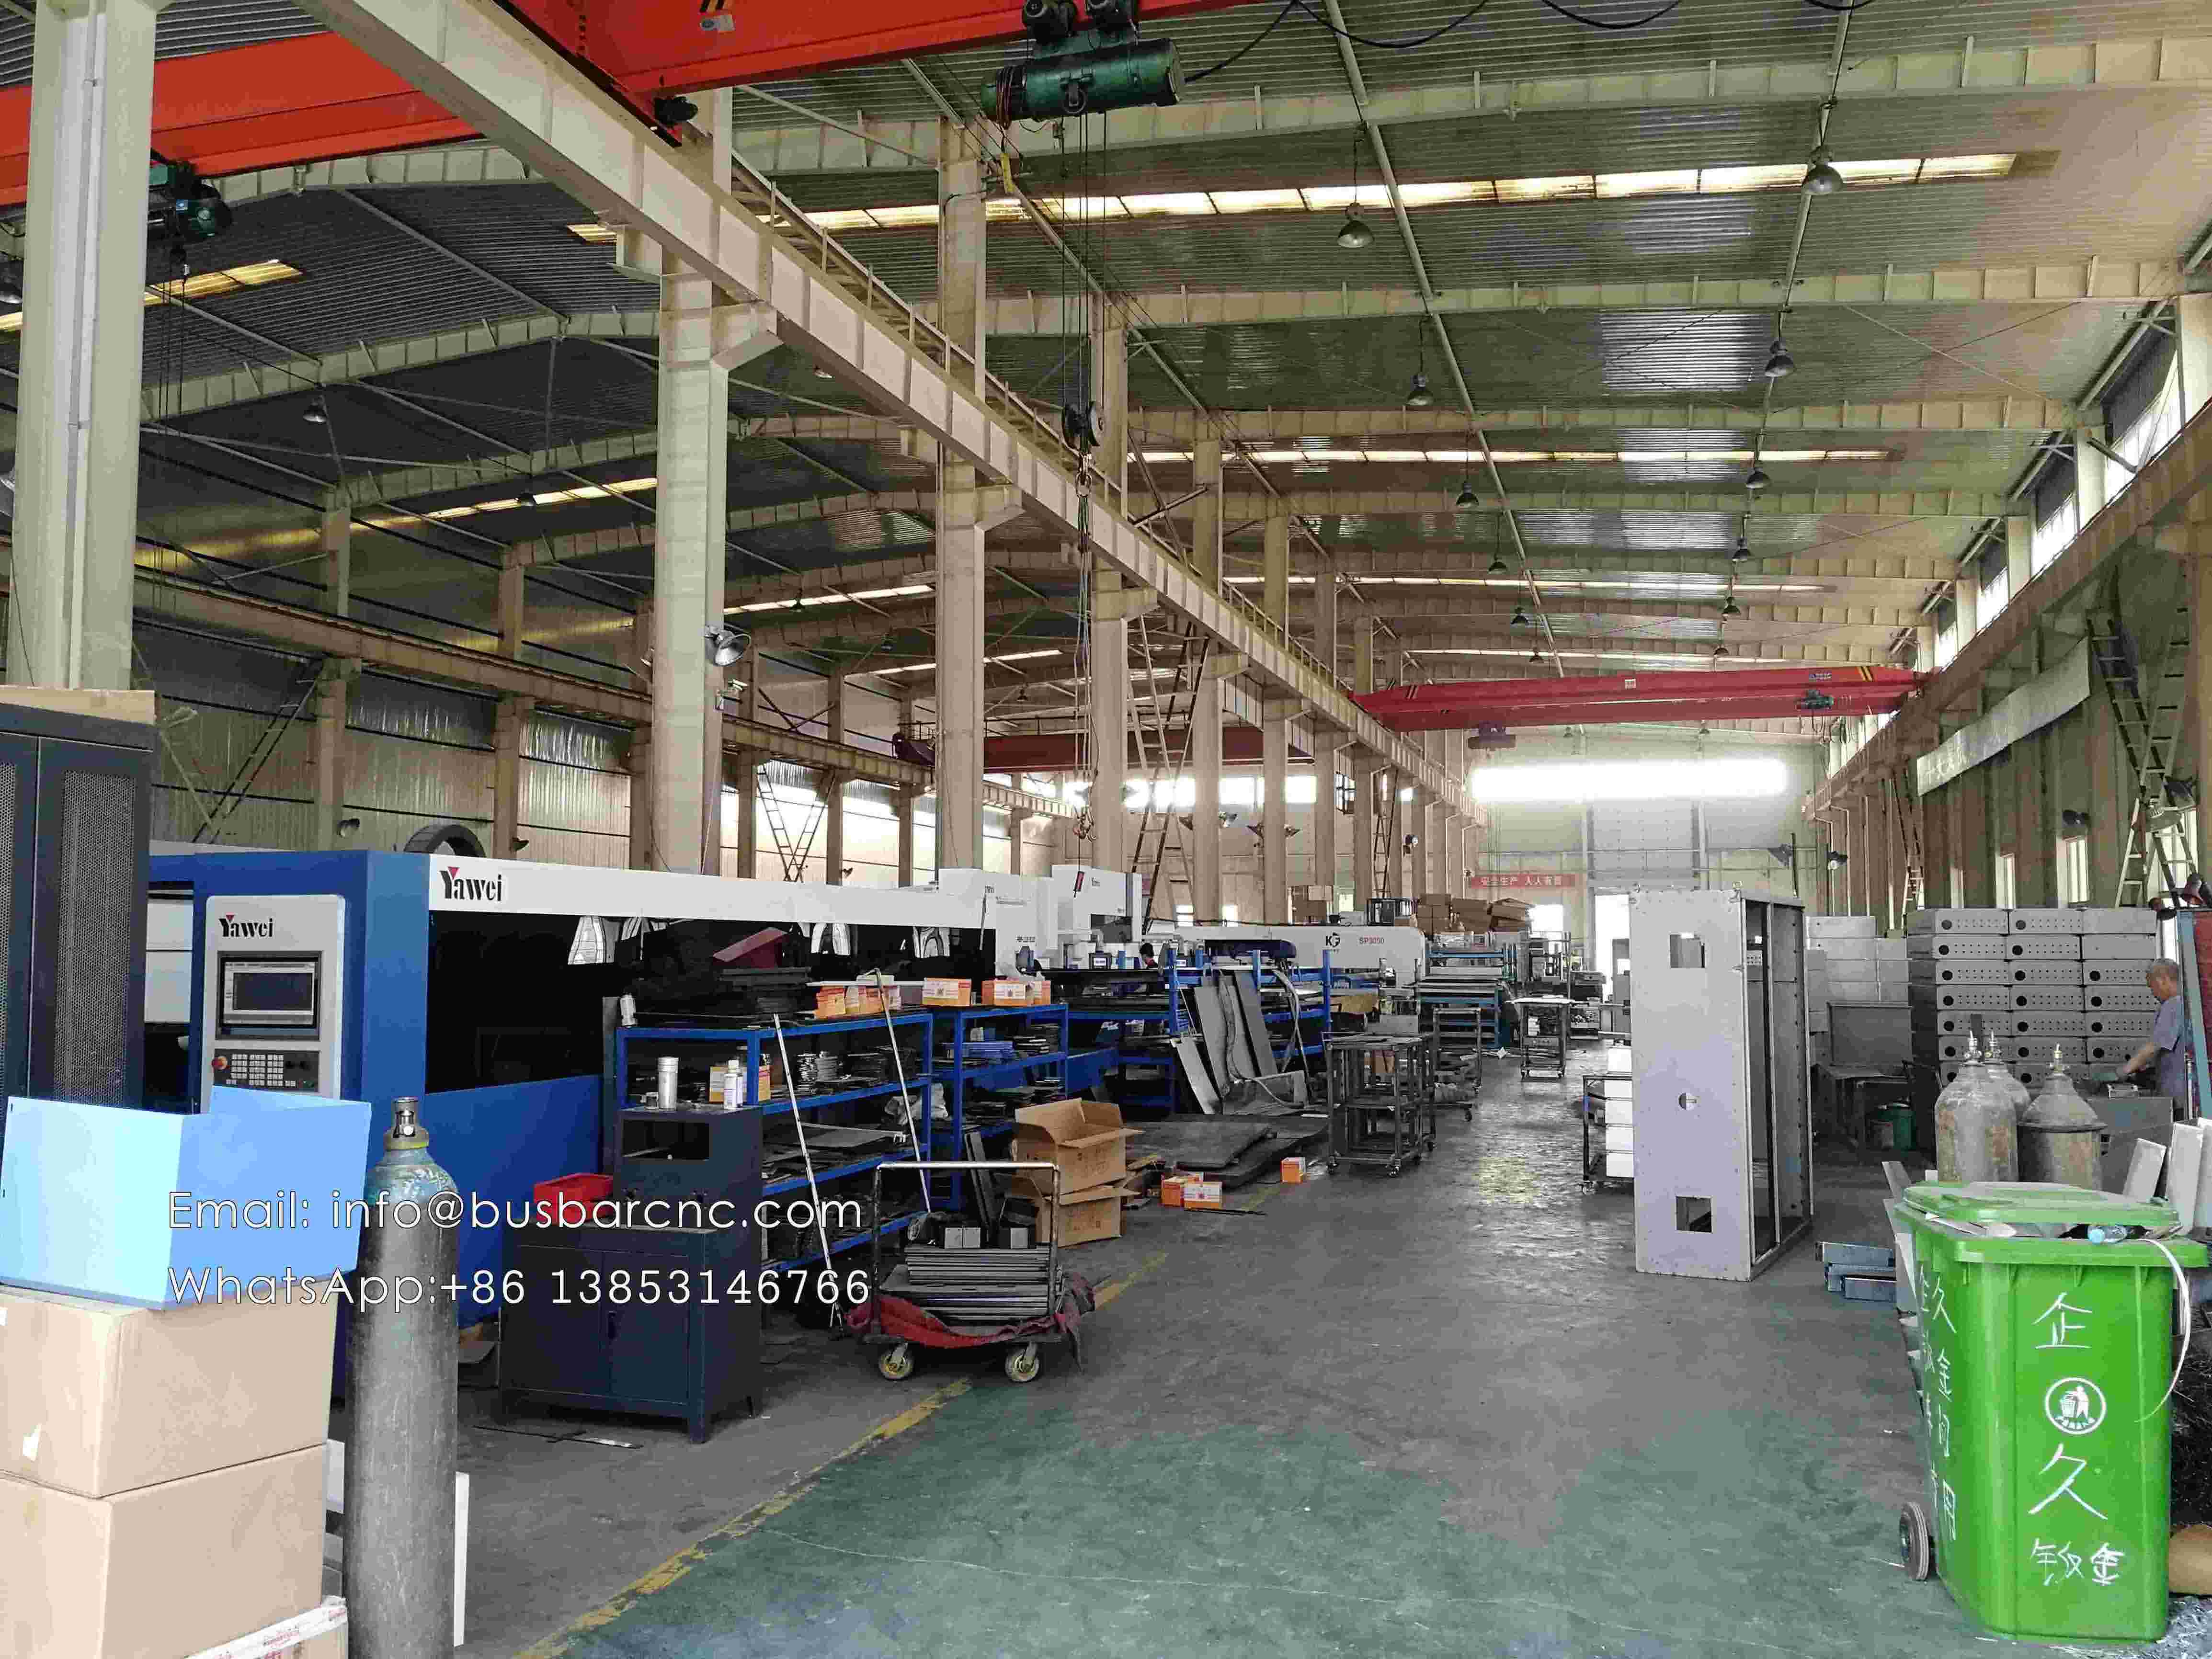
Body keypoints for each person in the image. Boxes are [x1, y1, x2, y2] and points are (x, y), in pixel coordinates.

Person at [2121, 956, 2192, 1105]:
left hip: (2177, 1095)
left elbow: (2154, 1047)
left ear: (2163, 980)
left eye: (2152, 987)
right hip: (2181, 1092)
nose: (2152, 993)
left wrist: (2123, 1072)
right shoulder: (2185, 1003)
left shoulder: (2174, 1005)